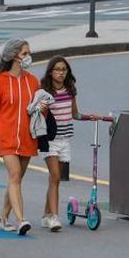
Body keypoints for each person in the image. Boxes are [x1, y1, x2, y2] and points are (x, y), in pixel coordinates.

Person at [0, 39, 42, 236]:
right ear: (14, 56)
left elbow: (39, 113)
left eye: (29, 53)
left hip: (27, 137)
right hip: (5, 137)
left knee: (16, 179)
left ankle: (3, 218)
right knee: (15, 176)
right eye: (25, 54)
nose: (28, 57)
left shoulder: (33, 81)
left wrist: (43, 109)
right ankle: (21, 219)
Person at [39, 56, 98, 232]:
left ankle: (46, 215)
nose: (60, 73)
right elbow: (40, 116)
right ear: (50, 72)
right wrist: (41, 109)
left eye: (63, 69)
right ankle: (54, 217)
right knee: (55, 177)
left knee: (53, 180)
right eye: (57, 69)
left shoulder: (70, 90)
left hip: (65, 140)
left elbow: (75, 114)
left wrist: (88, 117)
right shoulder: (45, 92)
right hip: (50, 140)